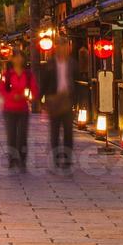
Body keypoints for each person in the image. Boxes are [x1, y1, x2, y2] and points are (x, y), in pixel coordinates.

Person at [38, 37, 79, 173]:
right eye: (60, 46)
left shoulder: (72, 63)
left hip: (67, 98)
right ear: (56, 48)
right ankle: (55, 157)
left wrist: (77, 100)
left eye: (65, 46)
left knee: (68, 130)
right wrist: (40, 100)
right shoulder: (50, 64)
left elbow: (78, 81)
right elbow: (44, 82)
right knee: (55, 130)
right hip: (54, 99)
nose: (63, 49)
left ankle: (67, 158)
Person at [0, 52, 37, 172]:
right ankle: (12, 158)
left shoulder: (28, 74)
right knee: (11, 135)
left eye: (21, 57)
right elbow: (1, 89)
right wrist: (11, 97)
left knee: (22, 136)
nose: (19, 59)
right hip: (9, 108)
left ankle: (22, 159)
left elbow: (34, 89)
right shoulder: (8, 74)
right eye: (17, 57)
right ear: (13, 59)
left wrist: (28, 97)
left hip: (23, 108)